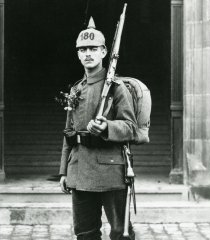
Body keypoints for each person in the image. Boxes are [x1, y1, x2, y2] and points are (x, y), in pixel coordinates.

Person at [59, 17, 136, 240]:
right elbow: (68, 134)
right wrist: (64, 171)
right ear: (78, 54)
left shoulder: (117, 88)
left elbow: (130, 128)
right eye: (83, 49)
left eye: (93, 48)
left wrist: (107, 127)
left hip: (111, 172)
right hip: (80, 171)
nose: (88, 53)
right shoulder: (75, 89)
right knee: (85, 233)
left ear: (104, 52)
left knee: (121, 234)